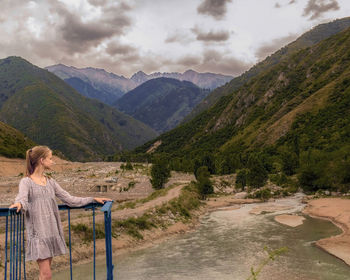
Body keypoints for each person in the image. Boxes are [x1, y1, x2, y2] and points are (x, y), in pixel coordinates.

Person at [9, 145, 112, 280]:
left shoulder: (50, 182)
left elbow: (69, 199)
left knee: (44, 275)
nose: (53, 161)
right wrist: (19, 204)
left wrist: (93, 199)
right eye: (50, 158)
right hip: (39, 234)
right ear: (42, 160)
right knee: (47, 275)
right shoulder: (26, 182)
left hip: (51, 231)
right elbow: (22, 198)